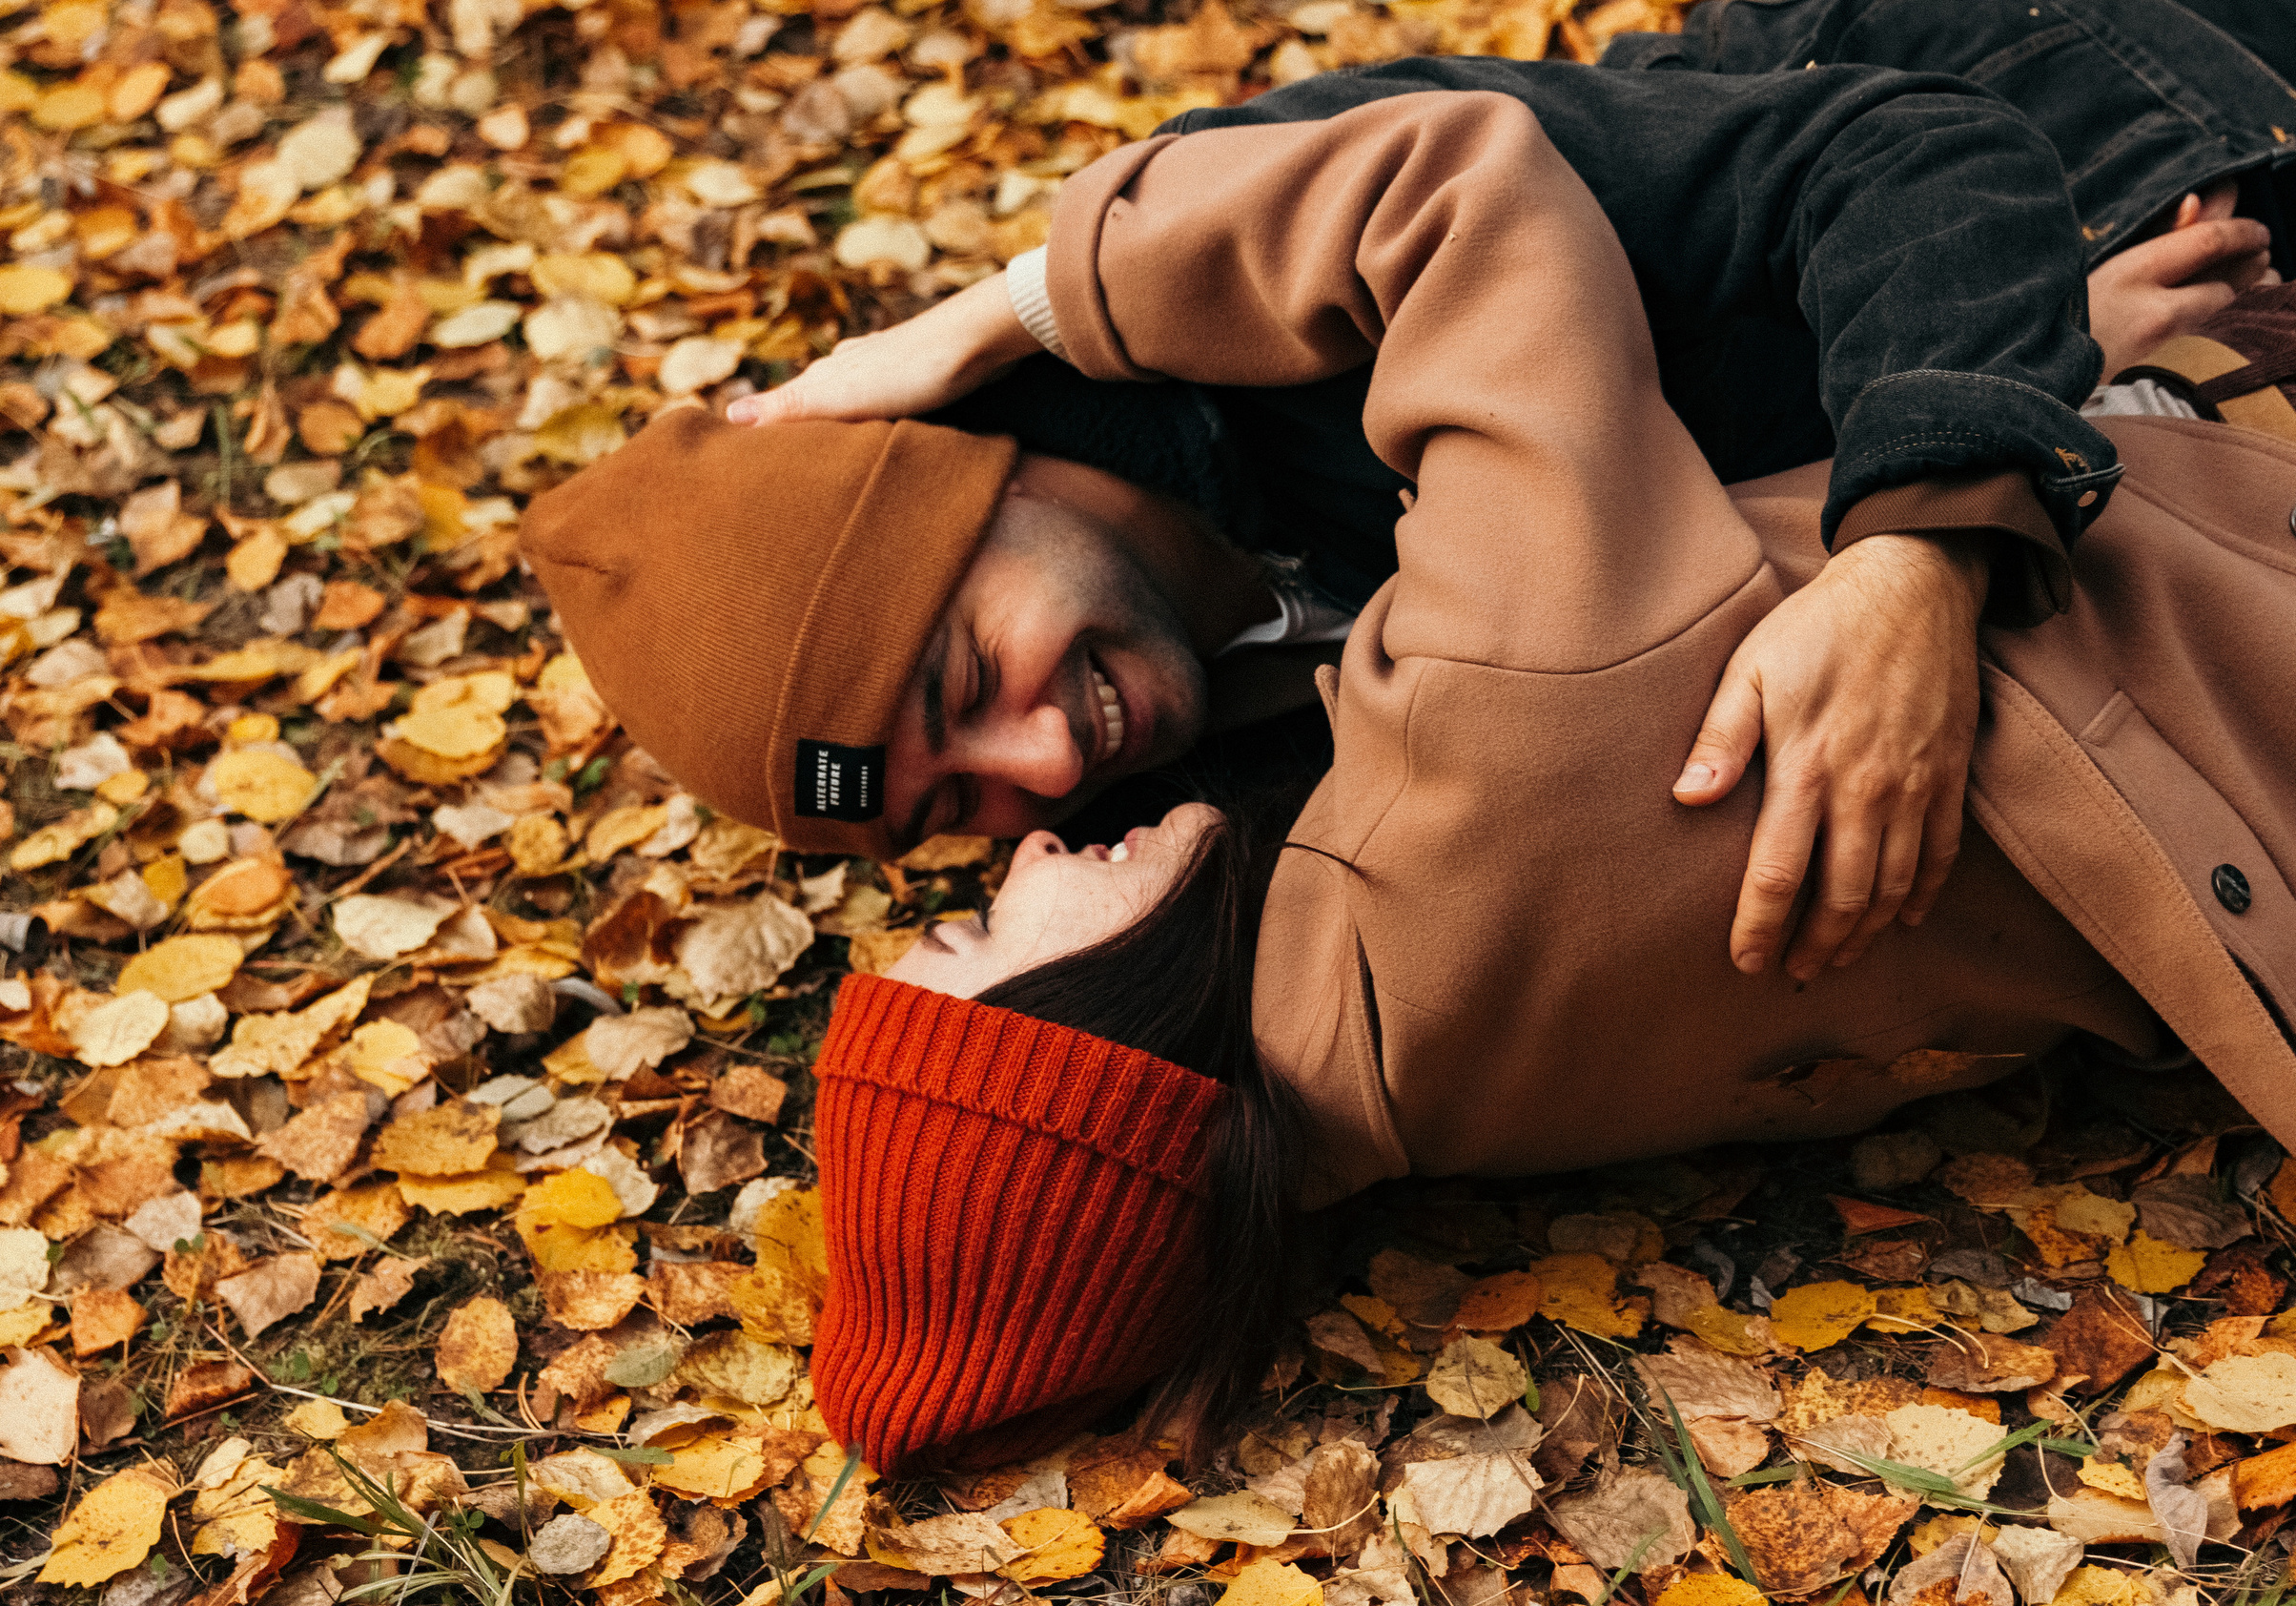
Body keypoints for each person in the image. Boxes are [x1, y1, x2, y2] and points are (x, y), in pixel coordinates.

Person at [792, 125, 2296, 1475]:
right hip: (2224, 565)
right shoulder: (1476, 758)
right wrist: (1010, 310)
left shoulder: (1394, 1101)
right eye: (973, 936)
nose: (1026, 852)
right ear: (1095, 1048)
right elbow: (1455, 185)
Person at [530, 68, 2129, 982]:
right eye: (950, 810)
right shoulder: (1142, 834)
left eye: (965, 682)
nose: (1049, 767)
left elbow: (1915, 154)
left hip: (2077, 111)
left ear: (964, 480)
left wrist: (1924, 536)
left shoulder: (1276, 220)